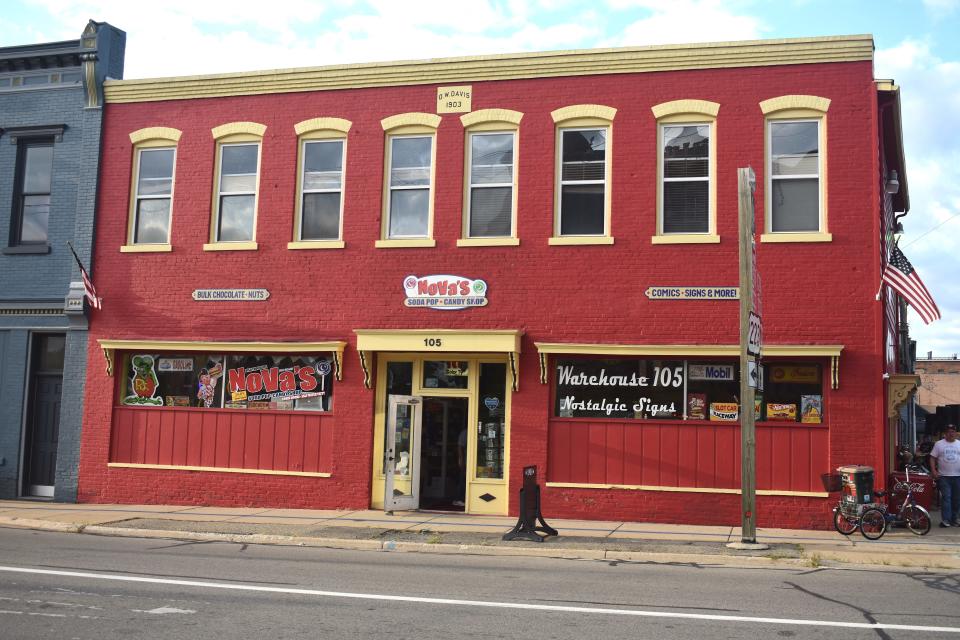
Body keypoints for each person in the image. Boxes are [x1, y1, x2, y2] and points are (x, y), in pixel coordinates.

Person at [929, 424, 960, 527]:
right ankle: (946, 520)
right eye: (948, 432)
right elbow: (932, 457)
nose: (951, 433)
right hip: (944, 476)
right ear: (945, 433)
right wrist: (933, 470)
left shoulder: (959, 444)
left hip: (958, 476)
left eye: (952, 431)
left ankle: (955, 519)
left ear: (956, 433)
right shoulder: (939, 444)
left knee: (957, 498)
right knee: (946, 497)